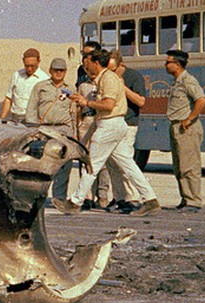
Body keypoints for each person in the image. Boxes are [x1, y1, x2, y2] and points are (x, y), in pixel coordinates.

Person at [54, 48, 159, 215]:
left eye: (88, 63)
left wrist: (87, 103)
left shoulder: (108, 79)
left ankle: (75, 202)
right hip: (113, 124)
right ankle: (150, 199)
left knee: (92, 164)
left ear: (96, 63)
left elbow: (108, 105)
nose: (86, 67)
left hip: (109, 124)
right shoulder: (106, 78)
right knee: (128, 164)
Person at [97, 51, 150, 212]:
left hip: (128, 124)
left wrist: (122, 87)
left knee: (126, 162)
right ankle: (120, 198)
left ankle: (132, 198)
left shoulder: (134, 77)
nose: (110, 73)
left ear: (122, 66)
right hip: (112, 124)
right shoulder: (106, 78)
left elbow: (141, 101)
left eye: (113, 70)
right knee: (112, 164)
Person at [164, 48, 205, 211]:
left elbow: (201, 100)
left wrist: (189, 119)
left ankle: (193, 201)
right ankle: (185, 198)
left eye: (168, 62)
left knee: (189, 165)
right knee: (180, 164)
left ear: (177, 64)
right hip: (176, 126)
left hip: (186, 127)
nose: (166, 65)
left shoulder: (188, 81)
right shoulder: (177, 82)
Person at [28, 57, 78, 200]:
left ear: (65, 72)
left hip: (64, 129)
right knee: (42, 163)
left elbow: (74, 112)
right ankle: (38, 196)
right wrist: (33, 129)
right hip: (45, 129)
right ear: (50, 70)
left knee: (64, 164)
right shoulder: (40, 87)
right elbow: (31, 108)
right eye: (56, 70)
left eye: (61, 70)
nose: (58, 73)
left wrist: (74, 134)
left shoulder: (71, 89)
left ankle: (59, 198)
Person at [0, 48, 43, 122]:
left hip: (32, 120)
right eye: (27, 65)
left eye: (32, 66)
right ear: (23, 61)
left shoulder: (43, 79)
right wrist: (1, 119)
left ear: (38, 62)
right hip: (14, 118)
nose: (29, 69)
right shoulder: (17, 75)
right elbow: (8, 99)